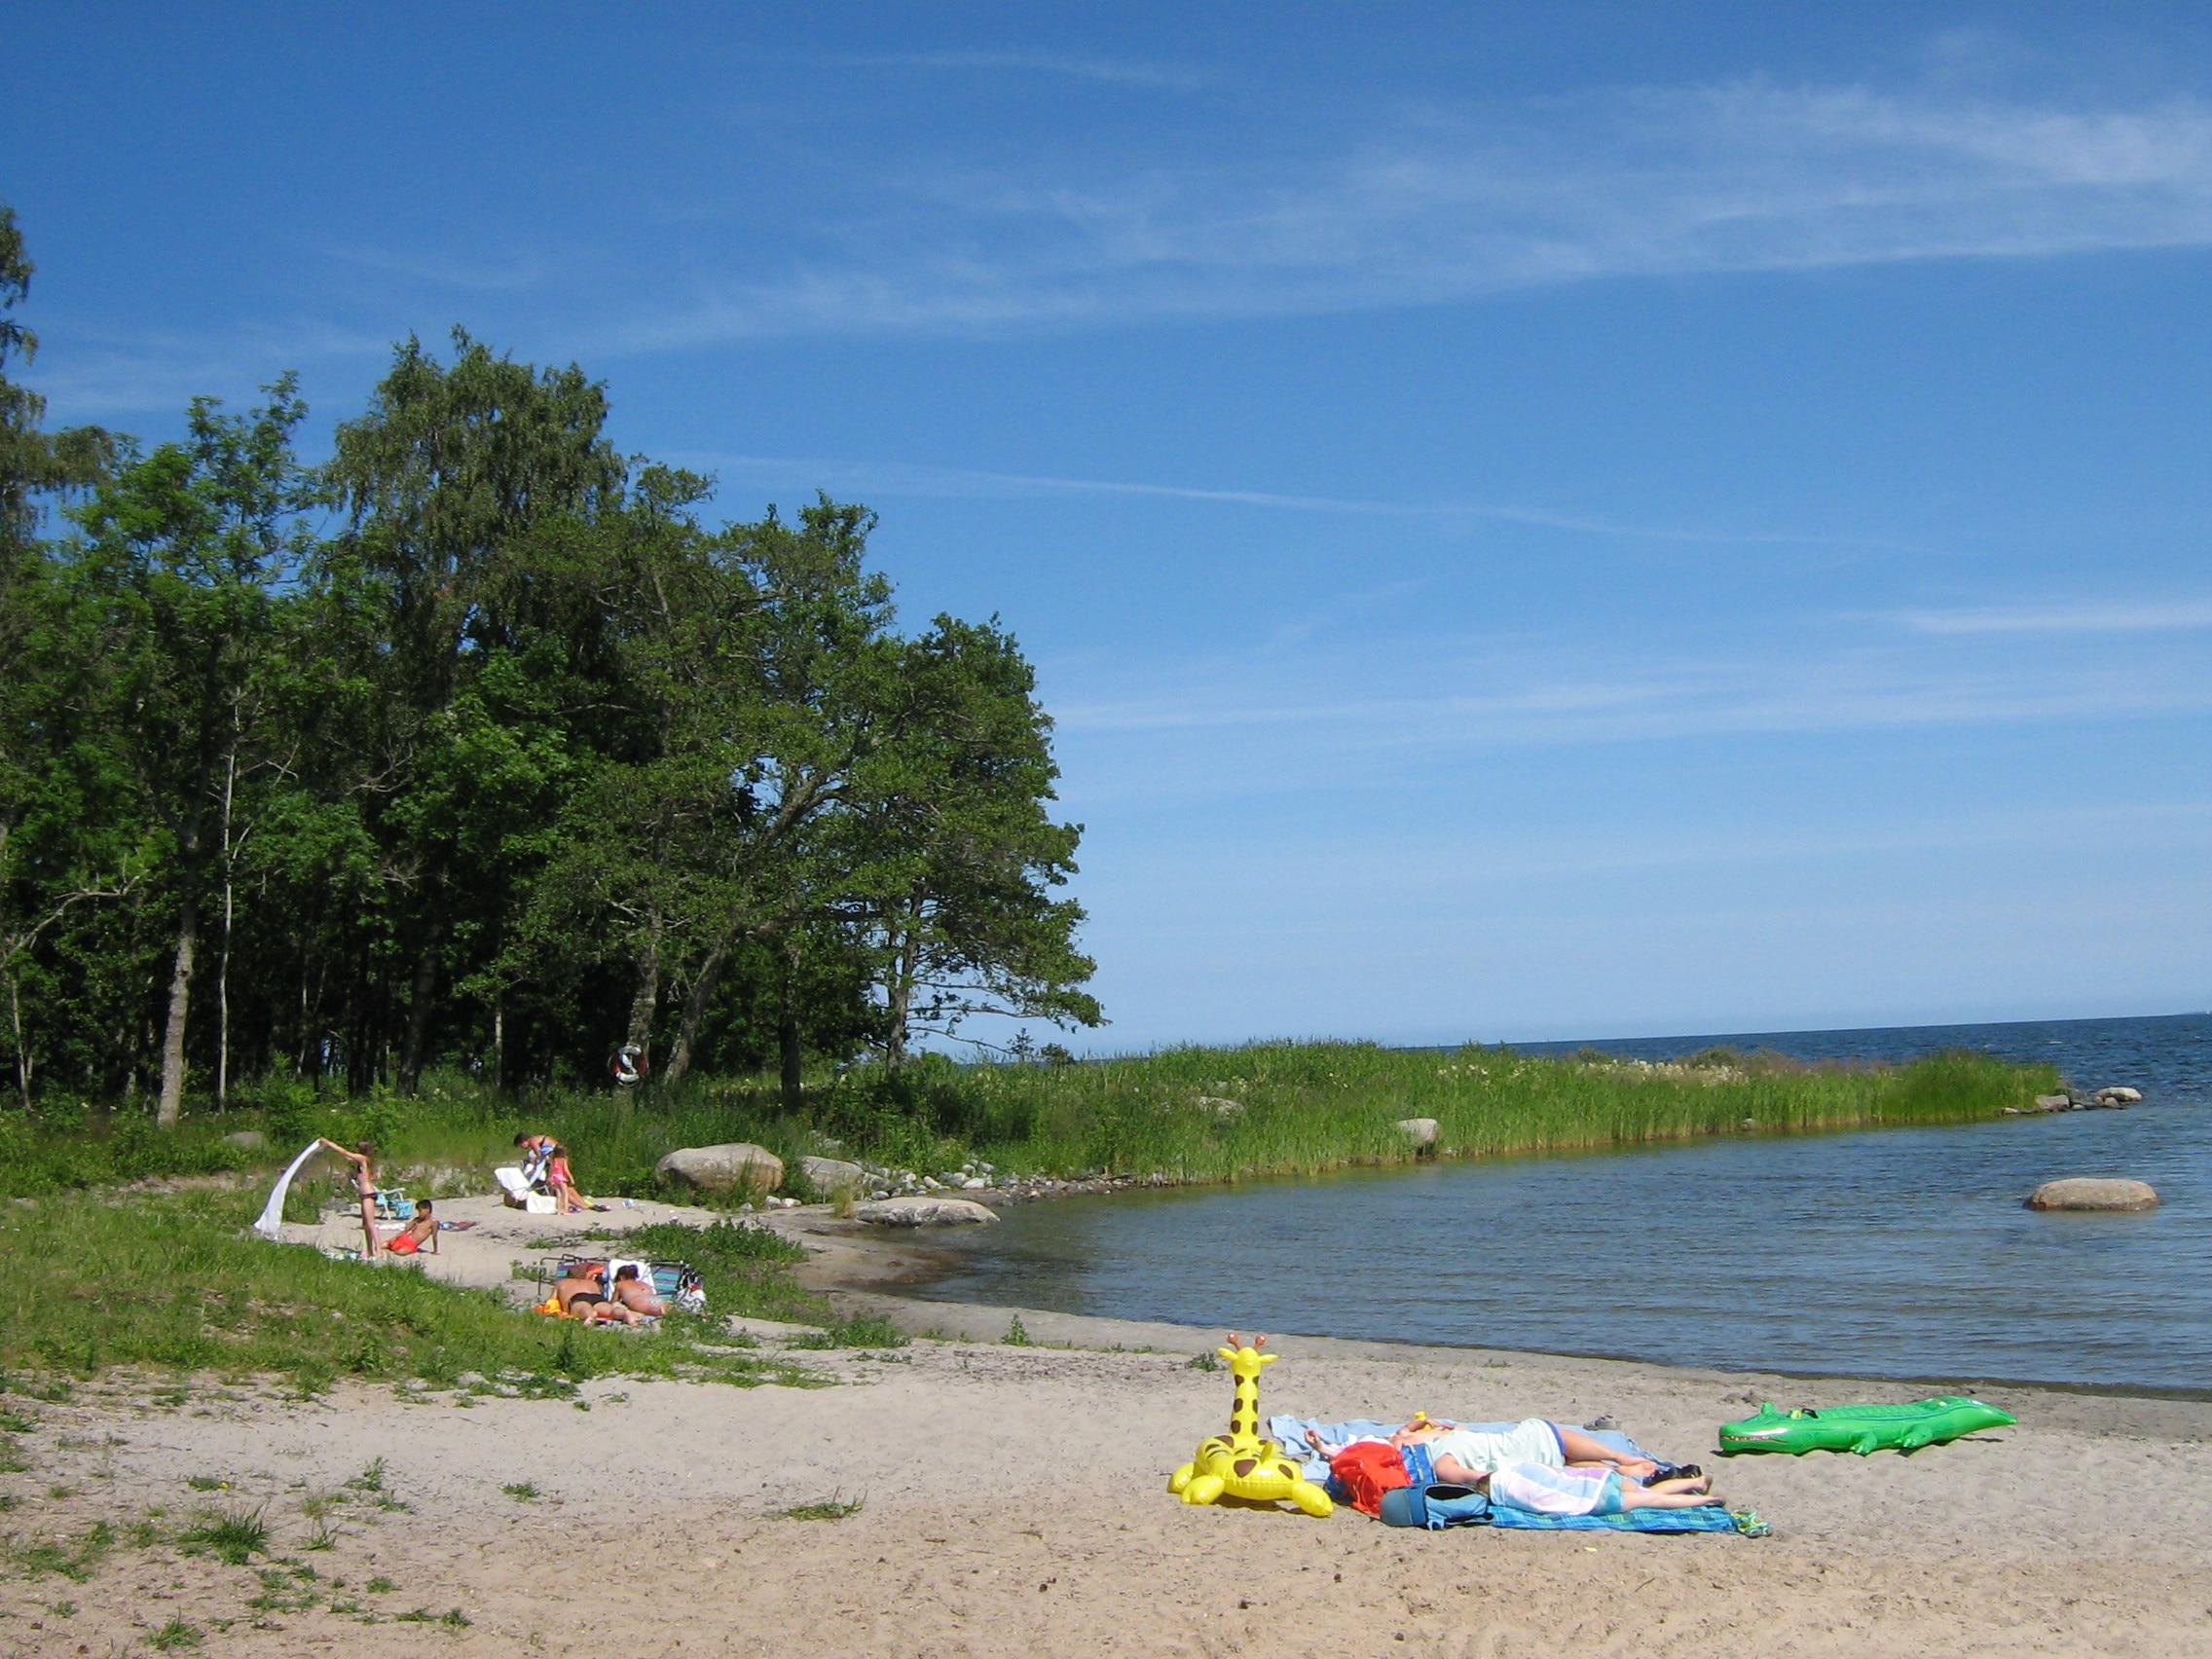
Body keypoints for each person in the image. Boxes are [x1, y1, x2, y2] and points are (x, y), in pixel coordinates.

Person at [1391, 1417, 1663, 1484]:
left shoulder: (1438, 1444)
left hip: (1517, 1460)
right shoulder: (1437, 1456)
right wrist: (1485, 1479)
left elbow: (1404, 1433)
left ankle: (1618, 1470)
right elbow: (1449, 1471)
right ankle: (1619, 1458)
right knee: (1548, 1435)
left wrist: (1422, 1424)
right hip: (1516, 1447)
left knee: (1562, 1461)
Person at [318, 1138, 379, 1260]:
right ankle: (370, 1251)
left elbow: (345, 1152)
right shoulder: (364, 1162)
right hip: (364, 1195)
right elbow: (348, 1157)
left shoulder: (363, 1159)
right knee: (366, 1225)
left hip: (368, 1195)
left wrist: (329, 1143)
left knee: (371, 1224)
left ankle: (379, 1251)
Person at [545, 1142, 587, 1214]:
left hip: (555, 1178)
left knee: (559, 1195)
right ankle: (565, 1209)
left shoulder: (553, 1159)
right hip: (561, 1177)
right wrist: (571, 1178)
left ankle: (559, 1210)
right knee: (565, 1193)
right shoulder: (563, 1159)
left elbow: (551, 1169)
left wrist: (549, 1178)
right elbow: (566, 1170)